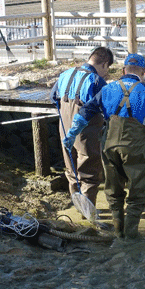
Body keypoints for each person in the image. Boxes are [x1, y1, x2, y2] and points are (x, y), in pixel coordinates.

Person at [62, 53, 145, 239]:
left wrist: (71, 135)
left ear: (123, 70)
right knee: (138, 192)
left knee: (113, 190)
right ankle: (131, 236)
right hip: (136, 147)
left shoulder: (108, 89)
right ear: (143, 71)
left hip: (109, 145)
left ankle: (118, 232)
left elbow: (85, 113)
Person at [51, 46, 113, 206]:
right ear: (104, 64)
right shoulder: (97, 81)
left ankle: (77, 206)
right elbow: (107, 108)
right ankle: (87, 212)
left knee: (71, 171)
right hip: (87, 132)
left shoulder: (65, 74)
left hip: (64, 128)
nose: (106, 73)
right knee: (89, 173)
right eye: (107, 69)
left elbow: (53, 97)